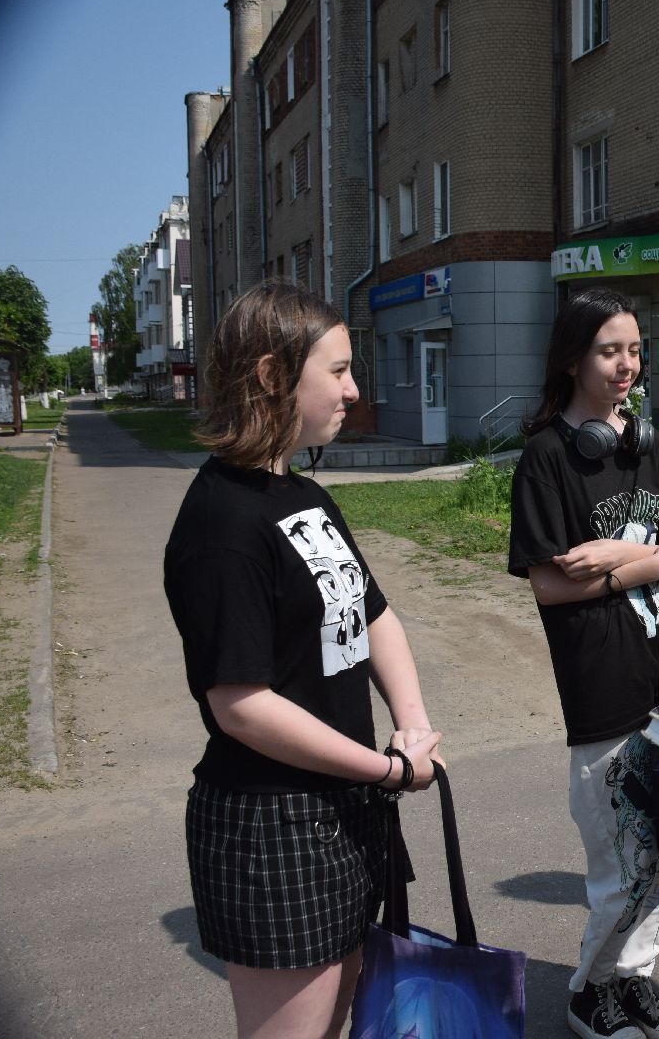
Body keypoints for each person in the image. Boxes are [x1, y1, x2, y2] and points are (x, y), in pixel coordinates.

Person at [163, 280, 444, 1038]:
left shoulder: (304, 495)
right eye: (339, 371)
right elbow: (242, 707)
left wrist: (412, 727)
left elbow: (373, 614)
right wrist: (387, 770)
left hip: (346, 804)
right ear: (270, 376)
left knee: (348, 1012)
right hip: (273, 823)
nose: (354, 391)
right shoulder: (221, 523)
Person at [508, 286, 659, 1039]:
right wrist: (646, 563)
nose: (626, 365)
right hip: (603, 682)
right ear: (572, 359)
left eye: (633, 350)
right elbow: (551, 585)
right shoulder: (547, 458)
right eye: (607, 351)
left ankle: (636, 982)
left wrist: (617, 554)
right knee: (618, 855)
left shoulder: (649, 446)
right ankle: (590, 992)